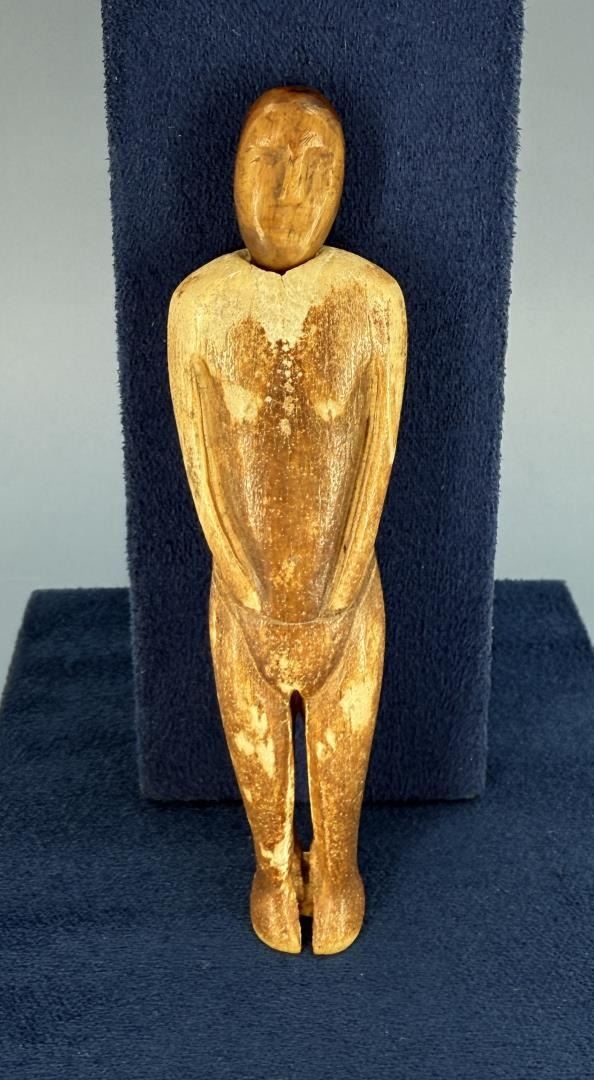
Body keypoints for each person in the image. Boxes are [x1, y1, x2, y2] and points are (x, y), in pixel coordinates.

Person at [168, 86, 407, 954]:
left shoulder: (373, 300)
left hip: (346, 596)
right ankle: (273, 870)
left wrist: (343, 583)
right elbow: (200, 463)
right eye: (266, 161)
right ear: (232, 170)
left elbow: (377, 458)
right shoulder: (199, 305)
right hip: (244, 601)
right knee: (257, 752)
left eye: (316, 167)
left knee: (340, 761)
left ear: (343, 181)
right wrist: (240, 580)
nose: (289, 191)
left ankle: (335, 869)